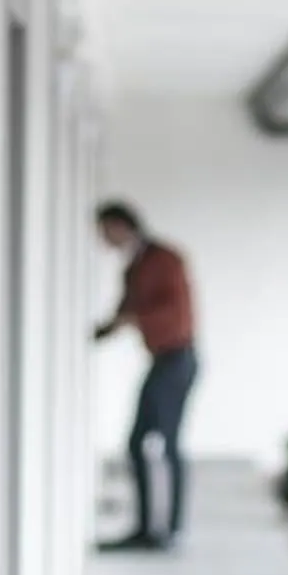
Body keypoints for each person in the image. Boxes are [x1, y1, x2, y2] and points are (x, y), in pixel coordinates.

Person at [93, 200, 197, 551]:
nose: (104, 240)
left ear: (122, 226)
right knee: (139, 443)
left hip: (176, 358)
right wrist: (96, 333)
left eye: (106, 231)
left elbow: (177, 314)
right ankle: (148, 528)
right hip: (162, 360)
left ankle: (170, 530)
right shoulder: (133, 267)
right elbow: (124, 310)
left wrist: (136, 320)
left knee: (167, 443)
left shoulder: (166, 260)